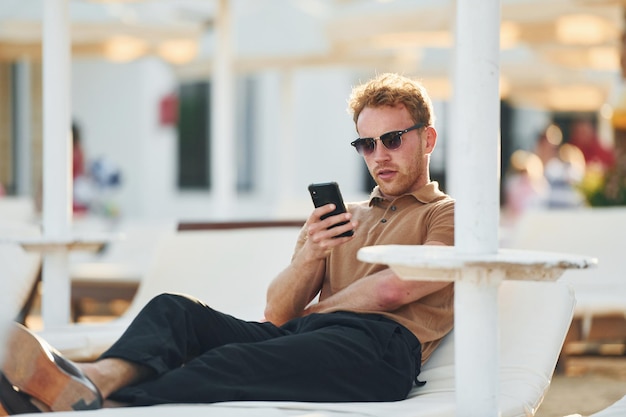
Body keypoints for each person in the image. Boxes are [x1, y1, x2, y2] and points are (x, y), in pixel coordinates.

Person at [0, 73, 455, 414]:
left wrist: (316, 312)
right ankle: (90, 381)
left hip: (380, 350)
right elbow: (278, 312)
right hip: (308, 336)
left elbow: (396, 287)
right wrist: (310, 255)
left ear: (427, 138)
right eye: (367, 144)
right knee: (174, 311)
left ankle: (99, 407)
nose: (379, 156)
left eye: (392, 140)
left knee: (235, 361)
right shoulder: (343, 216)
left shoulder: (447, 215)